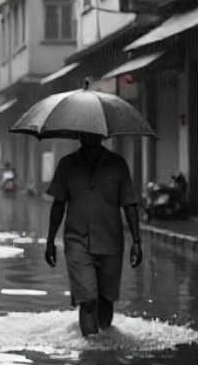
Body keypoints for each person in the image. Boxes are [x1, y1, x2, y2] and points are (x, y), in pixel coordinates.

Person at [44, 132, 143, 337]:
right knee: (88, 300)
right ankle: (90, 356)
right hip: (76, 242)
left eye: (93, 135)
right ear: (78, 137)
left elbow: (129, 205)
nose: (88, 139)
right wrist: (50, 241)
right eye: (84, 135)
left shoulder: (117, 164)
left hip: (111, 242)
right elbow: (58, 205)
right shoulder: (67, 165)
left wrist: (137, 241)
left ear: (101, 136)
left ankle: (104, 355)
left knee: (106, 301)